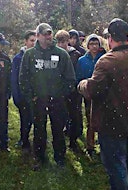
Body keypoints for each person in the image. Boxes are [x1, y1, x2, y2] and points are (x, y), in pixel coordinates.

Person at [78, 18, 128, 190]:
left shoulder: (107, 61)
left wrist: (82, 84)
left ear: (110, 38)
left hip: (112, 123)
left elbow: (93, 89)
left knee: (117, 166)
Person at [20, 23, 75, 169]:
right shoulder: (29, 55)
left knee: (58, 129)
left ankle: (60, 157)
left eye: (50, 33)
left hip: (57, 100)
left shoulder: (62, 54)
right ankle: (39, 156)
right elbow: (23, 78)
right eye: (45, 34)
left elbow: (70, 79)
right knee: (39, 129)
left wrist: (61, 94)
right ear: (37, 36)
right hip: (38, 100)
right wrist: (31, 96)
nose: (48, 36)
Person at [76, 33, 106, 157]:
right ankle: (90, 145)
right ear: (87, 45)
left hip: (103, 94)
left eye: (96, 44)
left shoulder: (104, 58)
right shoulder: (82, 60)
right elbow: (78, 77)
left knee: (104, 120)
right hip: (89, 95)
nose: (94, 46)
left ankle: (104, 145)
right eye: (91, 44)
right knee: (90, 120)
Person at [55, 30, 83, 153]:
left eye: (64, 41)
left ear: (68, 41)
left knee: (74, 116)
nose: (62, 44)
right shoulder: (54, 54)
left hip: (73, 91)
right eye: (59, 42)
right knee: (59, 117)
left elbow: (77, 72)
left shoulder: (75, 54)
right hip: (59, 91)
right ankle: (60, 143)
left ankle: (73, 141)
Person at [12, 30, 36, 151]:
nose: (33, 43)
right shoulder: (18, 58)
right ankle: (24, 140)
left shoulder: (37, 56)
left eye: (35, 41)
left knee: (33, 119)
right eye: (31, 40)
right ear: (25, 42)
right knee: (25, 119)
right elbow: (15, 79)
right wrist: (17, 97)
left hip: (35, 95)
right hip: (23, 95)